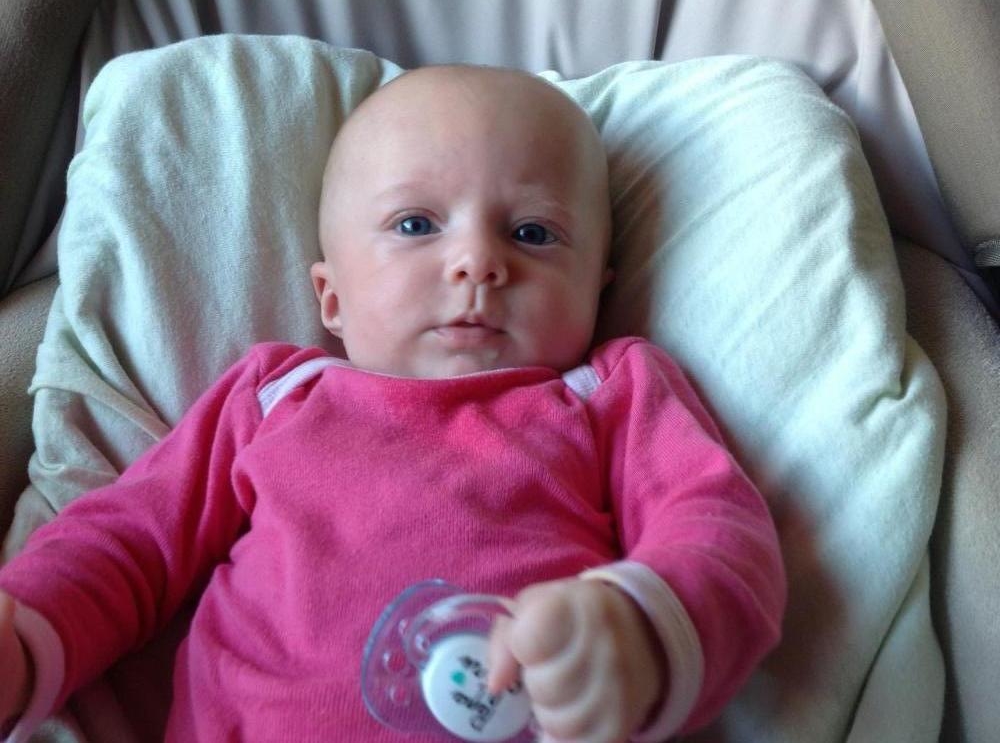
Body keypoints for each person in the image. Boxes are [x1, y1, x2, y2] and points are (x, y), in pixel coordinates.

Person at [0, 65, 785, 743]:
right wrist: (28, 638)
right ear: (331, 298)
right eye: (416, 225)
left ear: (596, 288)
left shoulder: (606, 396)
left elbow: (720, 532)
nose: (477, 261)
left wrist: (641, 630)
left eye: (533, 233)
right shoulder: (275, 398)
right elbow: (131, 541)